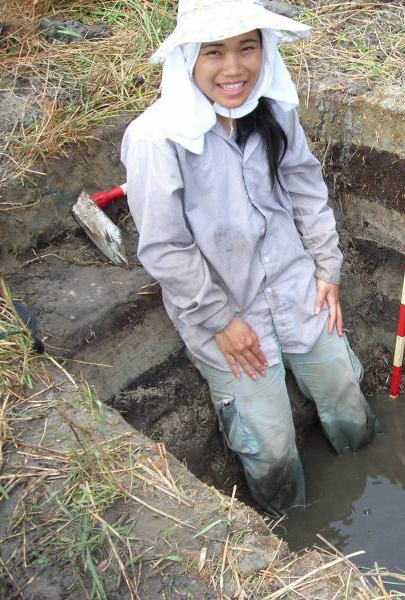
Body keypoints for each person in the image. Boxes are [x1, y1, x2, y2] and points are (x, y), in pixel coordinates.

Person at [121, 0, 379, 516]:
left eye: (247, 47)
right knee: (272, 444)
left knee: (343, 390)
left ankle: (369, 465)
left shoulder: (274, 108)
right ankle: (291, 527)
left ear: (264, 49)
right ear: (187, 57)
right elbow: (164, 247)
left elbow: (305, 186)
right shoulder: (158, 139)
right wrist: (220, 320)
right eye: (213, 52)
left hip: (297, 288)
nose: (234, 68)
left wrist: (327, 267)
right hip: (227, 317)